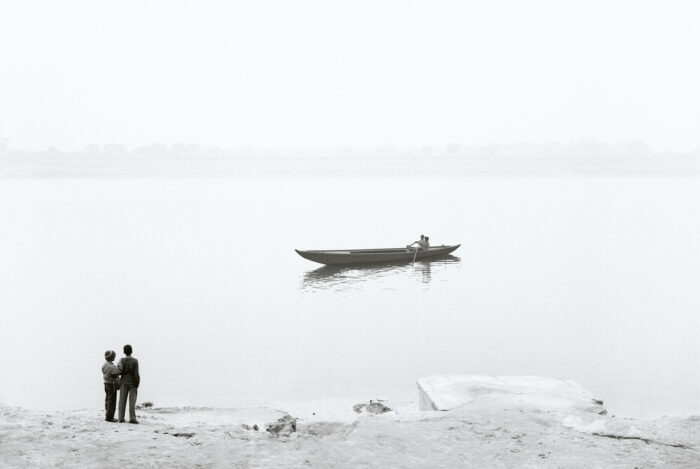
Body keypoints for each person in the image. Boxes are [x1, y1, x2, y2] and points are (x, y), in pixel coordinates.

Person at [117, 344, 140, 424]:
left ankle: (121, 418)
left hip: (123, 381)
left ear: (124, 352)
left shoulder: (121, 360)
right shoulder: (135, 361)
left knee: (122, 400)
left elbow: (118, 370)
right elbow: (136, 373)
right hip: (132, 382)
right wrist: (137, 383)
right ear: (131, 351)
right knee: (132, 401)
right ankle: (132, 418)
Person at [101, 350, 120, 422]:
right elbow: (117, 373)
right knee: (112, 401)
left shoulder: (104, 365)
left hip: (106, 384)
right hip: (112, 385)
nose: (115, 357)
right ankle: (110, 417)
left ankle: (107, 414)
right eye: (114, 356)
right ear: (111, 357)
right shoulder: (111, 367)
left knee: (108, 399)